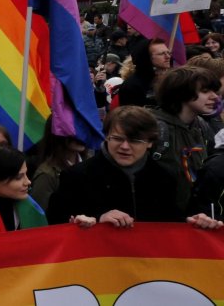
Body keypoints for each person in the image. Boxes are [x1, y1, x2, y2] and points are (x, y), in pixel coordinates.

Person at [47, 106, 185, 226]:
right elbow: (56, 221)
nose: (124, 147)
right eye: (117, 139)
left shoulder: (165, 177)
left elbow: (175, 224)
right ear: (107, 136)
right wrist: (98, 218)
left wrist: (195, 224)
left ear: (149, 142)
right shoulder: (77, 177)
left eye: (134, 141)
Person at [148, 66, 219, 211]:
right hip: (160, 219)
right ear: (181, 93)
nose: (215, 97)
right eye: (205, 91)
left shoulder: (201, 126)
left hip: (194, 217)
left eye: (214, 91)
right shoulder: (153, 128)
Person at [28, 120, 87, 213]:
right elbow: (38, 217)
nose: (81, 135)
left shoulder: (91, 164)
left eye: (84, 128)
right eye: (74, 129)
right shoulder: (47, 175)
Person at [118, 37, 173, 107]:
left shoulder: (171, 79)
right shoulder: (132, 86)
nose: (168, 56)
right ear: (146, 57)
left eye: (168, 52)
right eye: (161, 54)